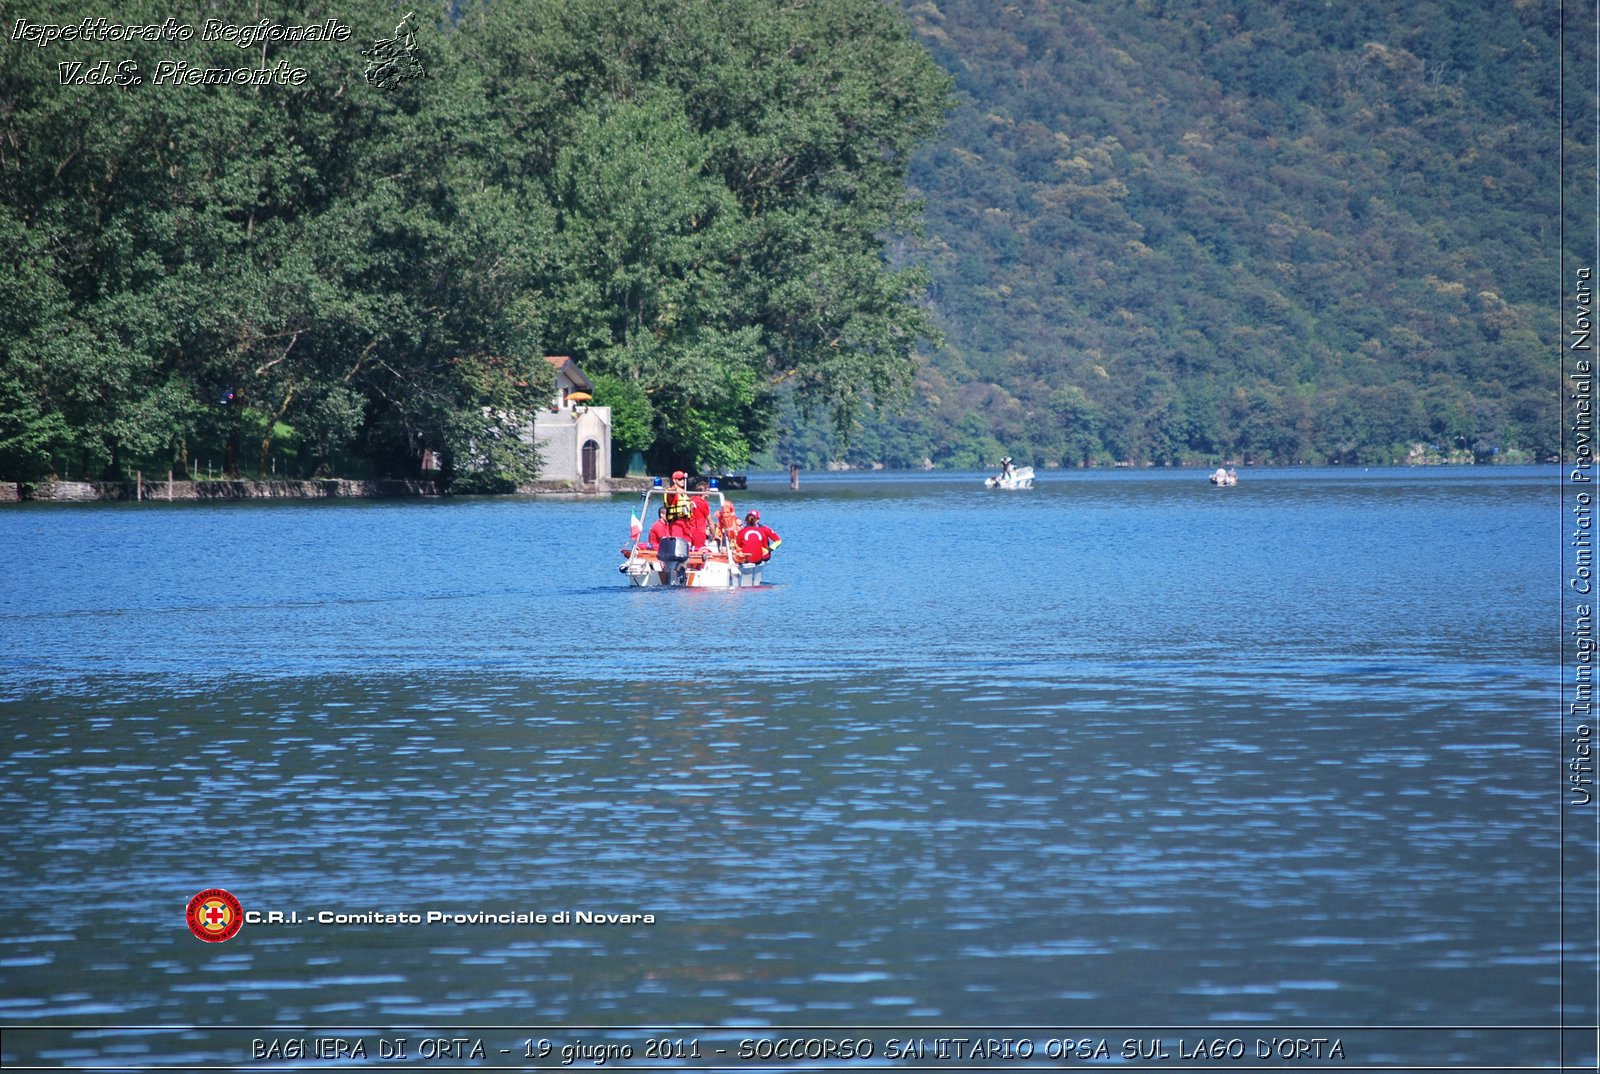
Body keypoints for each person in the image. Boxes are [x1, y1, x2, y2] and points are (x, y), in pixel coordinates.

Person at [663, 470, 694, 541]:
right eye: (680, 479)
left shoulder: (683, 493)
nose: (682, 481)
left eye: (683, 479)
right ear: (674, 480)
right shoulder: (671, 491)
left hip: (686, 522)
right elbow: (671, 493)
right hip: (676, 522)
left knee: (688, 542)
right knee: (678, 542)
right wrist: (675, 489)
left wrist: (690, 506)